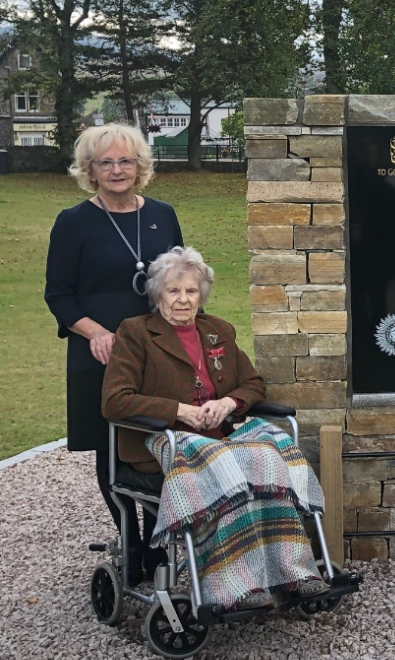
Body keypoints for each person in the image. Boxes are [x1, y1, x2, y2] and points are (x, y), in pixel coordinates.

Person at [101, 246, 329, 609]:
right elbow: (115, 400)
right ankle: (236, 586)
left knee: (271, 460)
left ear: (200, 295)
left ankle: (293, 571)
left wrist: (227, 404)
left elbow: (253, 383)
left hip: (218, 437)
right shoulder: (136, 334)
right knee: (228, 474)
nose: (182, 299)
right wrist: (179, 411)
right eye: (173, 291)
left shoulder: (217, 331)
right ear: (158, 294)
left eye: (191, 291)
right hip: (164, 439)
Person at [44, 123, 184, 585]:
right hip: (98, 355)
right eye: (106, 162)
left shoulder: (163, 214)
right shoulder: (73, 222)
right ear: (90, 170)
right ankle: (135, 543)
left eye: (125, 160)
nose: (117, 169)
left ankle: (157, 541)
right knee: (112, 453)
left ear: (140, 165)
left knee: (157, 446)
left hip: (156, 351)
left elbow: (177, 281)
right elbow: (59, 296)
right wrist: (96, 333)